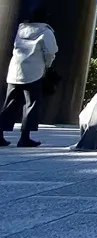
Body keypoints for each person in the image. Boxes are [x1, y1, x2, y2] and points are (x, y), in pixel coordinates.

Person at [0, 20, 58, 148]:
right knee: (31, 104)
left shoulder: (21, 29)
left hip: (15, 70)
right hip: (34, 71)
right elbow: (51, 51)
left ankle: (0, 133)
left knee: (10, 103)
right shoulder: (46, 31)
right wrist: (47, 66)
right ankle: (24, 137)